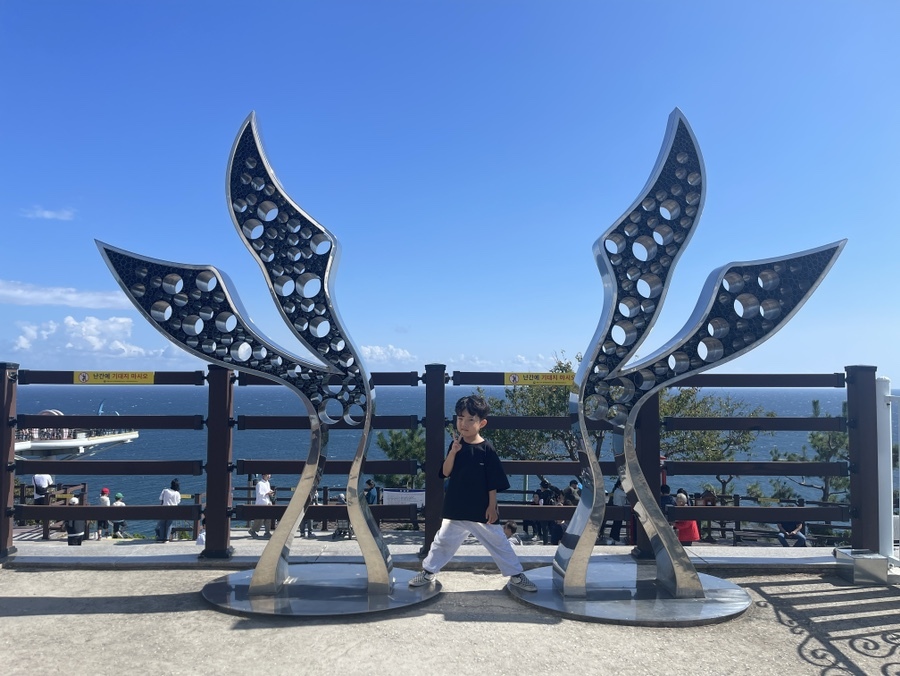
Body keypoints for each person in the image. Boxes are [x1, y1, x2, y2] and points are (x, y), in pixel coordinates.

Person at [409, 395, 536, 593]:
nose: (464, 424)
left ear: (482, 423)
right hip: (456, 506)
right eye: (460, 419)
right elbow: (445, 472)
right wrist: (453, 451)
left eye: (470, 420)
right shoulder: (455, 445)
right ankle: (428, 571)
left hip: (481, 508)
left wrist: (492, 505)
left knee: (499, 542)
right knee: (442, 541)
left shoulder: (487, 449)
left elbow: (493, 480)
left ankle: (516, 575)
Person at [602, 479, 628, 543]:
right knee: (617, 524)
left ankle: (613, 536)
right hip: (619, 508)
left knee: (616, 523)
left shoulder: (616, 490)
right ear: (619, 485)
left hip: (617, 507)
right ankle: (615, 537)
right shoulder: (619, 491)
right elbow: (627, 495)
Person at [249, 473, 275, 538]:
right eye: (267, 475)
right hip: (261, 503)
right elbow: (259, 493)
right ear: (263, 475)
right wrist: (267, 493)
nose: (269, 476)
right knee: (259, 519)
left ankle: (267, 532)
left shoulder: (267, 483)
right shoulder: (259, 484)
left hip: (267, 502)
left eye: (269, 474)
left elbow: (267, 491)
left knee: (268, 518)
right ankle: (253, 530)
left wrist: (270, 492)